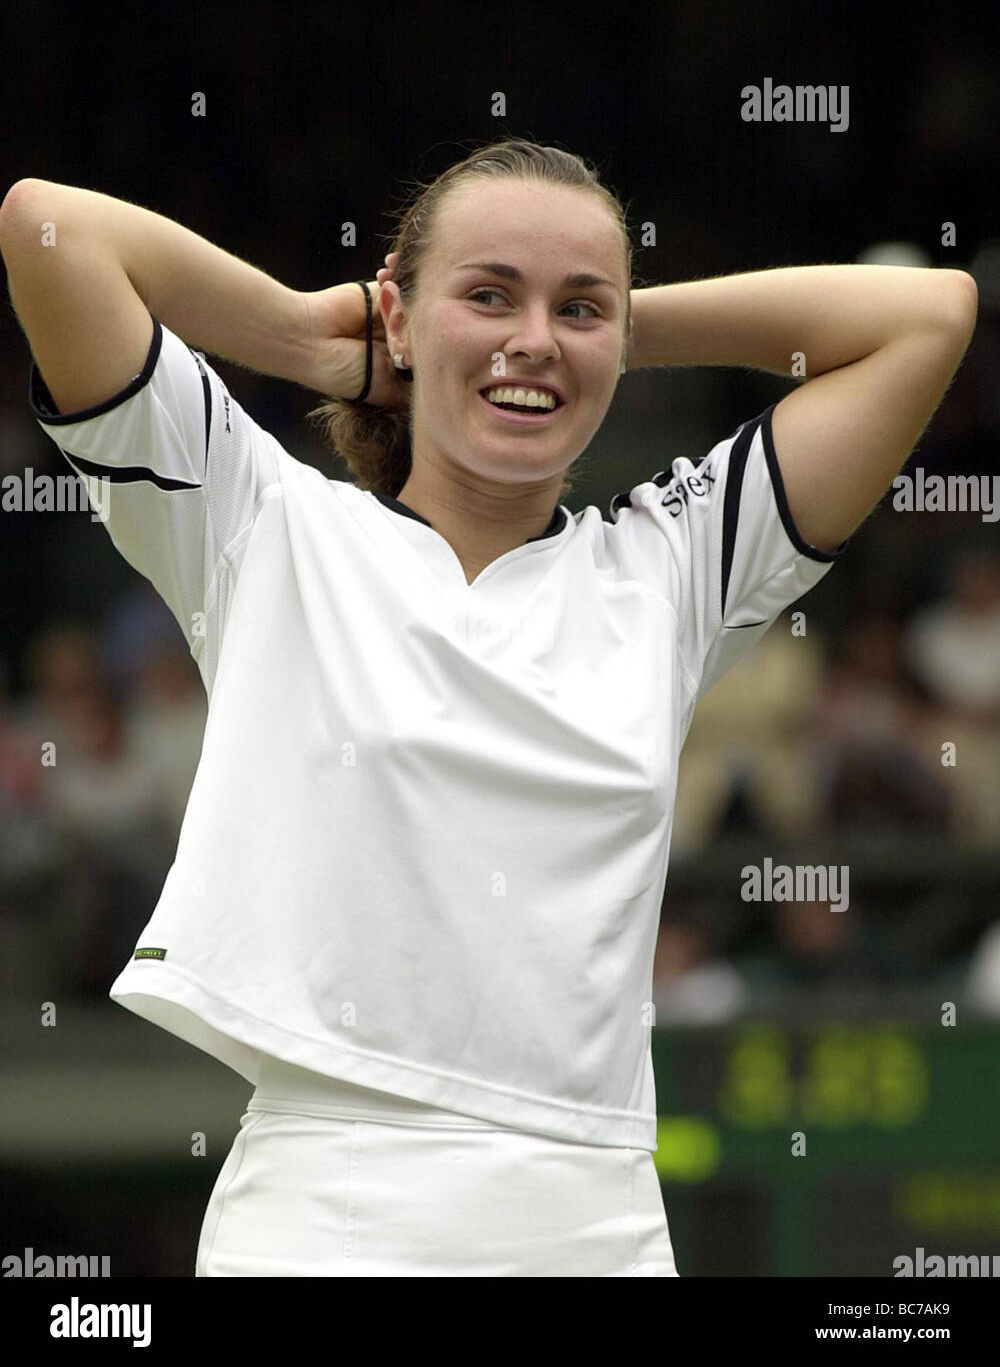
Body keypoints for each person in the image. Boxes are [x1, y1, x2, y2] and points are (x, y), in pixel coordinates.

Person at [0, 137, 977, 1277]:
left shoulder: (670, 569)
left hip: (597, 1215)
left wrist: (613, 332)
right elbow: (48, 227)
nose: (530, 337)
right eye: (487, 293)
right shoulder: (262, 523)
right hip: (323, 1212)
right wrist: (306, 338)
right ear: (399, 319)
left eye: (576, 306)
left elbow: (928, 315)